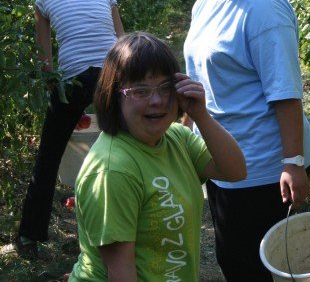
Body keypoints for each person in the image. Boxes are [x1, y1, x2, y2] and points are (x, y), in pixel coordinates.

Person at [183, 0, 310, 281]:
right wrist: (183, 142)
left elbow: (286, 92)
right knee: (234, 260)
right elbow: (196, 82)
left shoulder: (262, 10)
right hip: (223, 157)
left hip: (262, 167)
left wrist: (292, 163)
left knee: (253, 268)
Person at [68, 32, 246, 281]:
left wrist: (201, 116)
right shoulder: (113, 170)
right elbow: (121, 272)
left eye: (166, 88)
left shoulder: (176, 138)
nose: (157, 100)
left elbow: (235, 171)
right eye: (140, 91)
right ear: (114, 96)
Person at [1, 0, 125, 258]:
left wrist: (52, 91)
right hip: (112, 74)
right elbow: (123, 42)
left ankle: (29, 238)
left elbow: (46, 59)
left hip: (74, 80)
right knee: (126, 148)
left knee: (48, 157)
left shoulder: (45, 0)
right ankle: (129, 226)